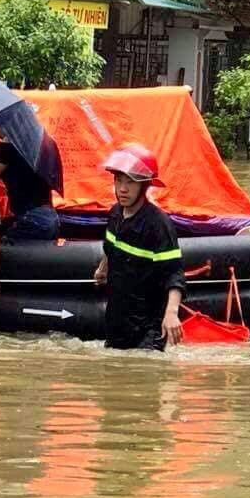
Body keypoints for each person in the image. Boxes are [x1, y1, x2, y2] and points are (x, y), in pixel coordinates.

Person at [93, 143, 185, 351]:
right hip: (118, 319)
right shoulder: (115, 213)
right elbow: (111, 247)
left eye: (131, 182)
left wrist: (171, 313)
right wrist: (103, 268)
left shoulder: (158, 224)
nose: (122, 189)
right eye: (118, 181)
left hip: (149, 325)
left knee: (144, 374)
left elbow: (174, 273)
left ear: (144, 186)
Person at [0, 116, 60, 241]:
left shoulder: (8, 147)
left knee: (0, 253)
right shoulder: (29, 142)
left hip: (32, 219)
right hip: (49, 218)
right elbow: (1, 151)